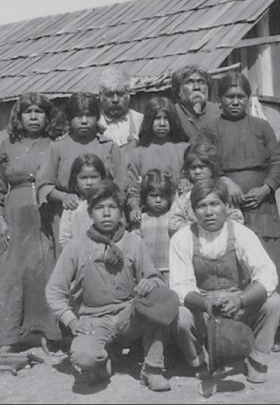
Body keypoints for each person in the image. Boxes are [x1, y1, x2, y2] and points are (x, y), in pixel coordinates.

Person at [45, 179, 172, 391]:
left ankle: (152, 369)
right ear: (90, 213)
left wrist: (149, 283)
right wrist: (73, 322)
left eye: (112, 207)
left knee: (160, 302)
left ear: (121, 212)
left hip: (129, 316)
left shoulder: (133, 241)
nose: (106, 213)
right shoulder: (76, 246)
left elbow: (155, 277)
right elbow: (54, 291)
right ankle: (104, 361)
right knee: (85, 357)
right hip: (93, 319)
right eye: (99, 208)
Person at [195, 71, 280, 334]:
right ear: (219, 100)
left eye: (241, 96)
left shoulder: (262, 127)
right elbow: (201, 163)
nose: (235, 101)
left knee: (267, 261)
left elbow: (277, 163)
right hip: (227, 206)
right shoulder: (210, 129)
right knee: (234, 262)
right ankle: (235, 326)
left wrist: (266, 188)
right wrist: (224, 181)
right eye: (229, 96)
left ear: (248, 99)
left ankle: (272, 325)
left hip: (262, 206)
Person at [169, 178, 280, 384]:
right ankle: (200, 361)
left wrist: (240, 301)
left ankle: (256, 358)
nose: (209, 211)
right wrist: (205, 304)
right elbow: (179, 286)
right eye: (201, 206)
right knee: (180, 315)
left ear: (226, 206)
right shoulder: (182, 238)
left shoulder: (241, 233)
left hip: (236, 303)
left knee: (273, 301)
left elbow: (266, 273)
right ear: (193, 211)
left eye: (214, 204)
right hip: (202, 306)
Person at [0, 92, 63, 353]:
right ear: (19, 117)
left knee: (46, 270)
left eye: (38, 111)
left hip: (46, 213)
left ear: (46, 116)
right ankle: (8, 336)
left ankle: (48, 334)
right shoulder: (8, 144)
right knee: (11, 274)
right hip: (16, 215)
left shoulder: (55, 144)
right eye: (27, 111)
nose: (32, 116)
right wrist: (0, 219)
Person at [36, 92, 128, 257]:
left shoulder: (108, 146)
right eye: (78, 116)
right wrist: (63, 197)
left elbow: (122, 181)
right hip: (69, 214)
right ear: (69, 118)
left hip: (104, 213)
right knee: (71, 260)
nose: (84, 121)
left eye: (89, 116)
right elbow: (44, 184)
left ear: (97, 117)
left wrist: (111, 201)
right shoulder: (58, 147)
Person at [126, 96, 190, 226]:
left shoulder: (185, 149)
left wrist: (187, 179)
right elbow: (133, 187)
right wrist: (135, 207)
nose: (162, 123)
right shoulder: (138, 153)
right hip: (148, 217)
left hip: (180, 217)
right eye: (157, 118)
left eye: (166, 118)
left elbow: (195, 174)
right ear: (149, 121)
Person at [168, 142, 244, 236]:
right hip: (192, 241)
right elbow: (174, 223)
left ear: (212, 167)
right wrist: (199, 231)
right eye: (193, 168)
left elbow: (237, 218)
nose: (197, 171)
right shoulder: (184, 193)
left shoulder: (222, 191)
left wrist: (217, 230)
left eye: (202, 167)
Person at [134, 169, 176, 285]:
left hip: (170, 270)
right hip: (147, 273)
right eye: (153, 195)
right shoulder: (140, 219)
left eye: (162, 196)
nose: (158, 200)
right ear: (145, 196)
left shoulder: (173, 218)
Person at [58, 153, 107, 248]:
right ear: (75, 179)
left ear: (102, 178)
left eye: (94, 177)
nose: (89, 183)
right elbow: (64, 238)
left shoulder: (108, 205)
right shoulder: (73, 205)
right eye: (83, 178)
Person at [97, 67, 144, 157]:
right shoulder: (96, 125)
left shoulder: (141, 121)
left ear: (128, 94)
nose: (115, 100)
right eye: (109, 95)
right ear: (100, 96)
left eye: (120, 94)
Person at [171, 64, 220, 141]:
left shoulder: (219, 113)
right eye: (190, 82)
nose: (196, 87)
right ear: (178, 91)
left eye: (201, 82)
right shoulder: (171, 115)